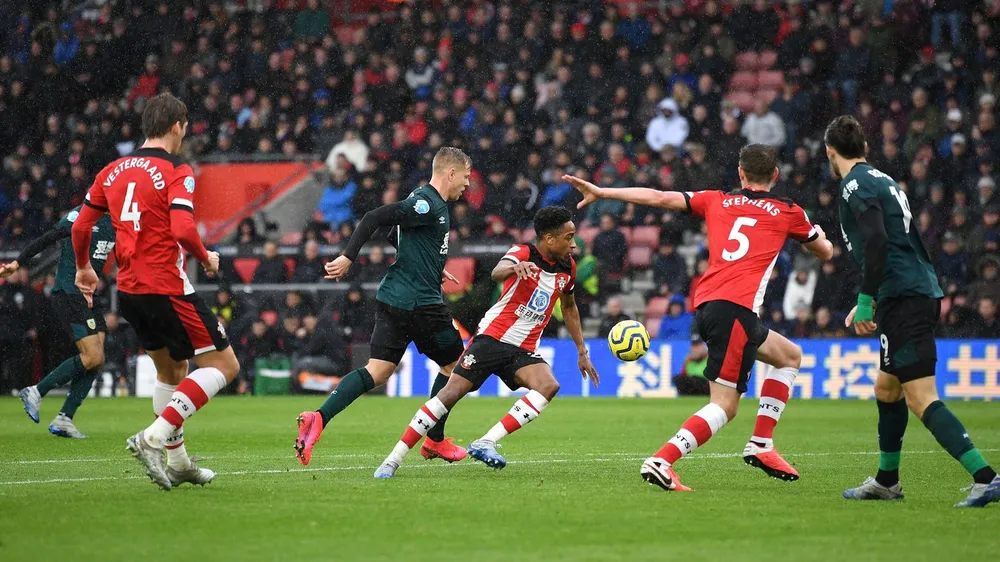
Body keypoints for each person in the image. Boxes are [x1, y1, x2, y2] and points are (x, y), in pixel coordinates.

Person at [565, 143, 834, 492]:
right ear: (776, 175)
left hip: (710, 305)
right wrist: (823, 239)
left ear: (740, 173)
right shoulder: (788, 211)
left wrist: (603, 191)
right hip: (736, 309)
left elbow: (660, 198)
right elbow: (823, 252)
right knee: (724, 406)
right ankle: (662, 460)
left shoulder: (717, 199)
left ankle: (762, 444)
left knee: (788, 356)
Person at [825, 115, 999, 508]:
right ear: (865, 148)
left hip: (905, 297)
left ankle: (986, 476)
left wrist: (869, 297)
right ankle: (888, 481)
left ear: (829, 152)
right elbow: (896, 243)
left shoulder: (855, 183)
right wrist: (872, 296)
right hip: (907, 291)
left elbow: (877, 239)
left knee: (920, 397)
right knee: (887, 389)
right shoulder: (882, 179)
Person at [71, 93, 241, 491]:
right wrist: (207, 258)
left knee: (171, 371)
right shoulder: (177, 170)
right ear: (178, 125)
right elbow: (183, 230)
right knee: (225, 365)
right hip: (166, 286)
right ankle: (152, 436)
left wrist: (84, 268)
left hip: (129, 290)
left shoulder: (111, 171)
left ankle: (178, 463)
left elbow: (81, 227)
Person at [373, 207, 599, 477]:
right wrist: (516, 268)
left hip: (523, 349)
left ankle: (486, 442)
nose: (574, 244)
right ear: (549, 239)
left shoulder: (568, 268)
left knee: (548, 385)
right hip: (492, 339)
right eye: (569, 237)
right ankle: (393, 459)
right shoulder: (524, 252)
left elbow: (570, 307)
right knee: (449, 395)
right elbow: (497, 271)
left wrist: (582, 351)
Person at [294, 147, 471, 466]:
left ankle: (318, 418)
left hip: (393, 298)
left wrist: (431, 262)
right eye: (466, 177)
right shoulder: (427, 203)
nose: (468, 184)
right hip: (420, 302)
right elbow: (375, 217)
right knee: (456, 367)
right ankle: (434, 440)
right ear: (450, 173)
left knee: (378, 370)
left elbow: (394, 234)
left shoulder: (423, 199)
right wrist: (349, 256)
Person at [3, 204, 115, 438]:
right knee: (92, 356)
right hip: (69, 291)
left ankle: (65, 418)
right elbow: (49, 237)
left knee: (97, 358)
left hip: (90, 295)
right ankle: (36, 390)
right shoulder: (83, 213)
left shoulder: (121, 221)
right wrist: (18, 262)